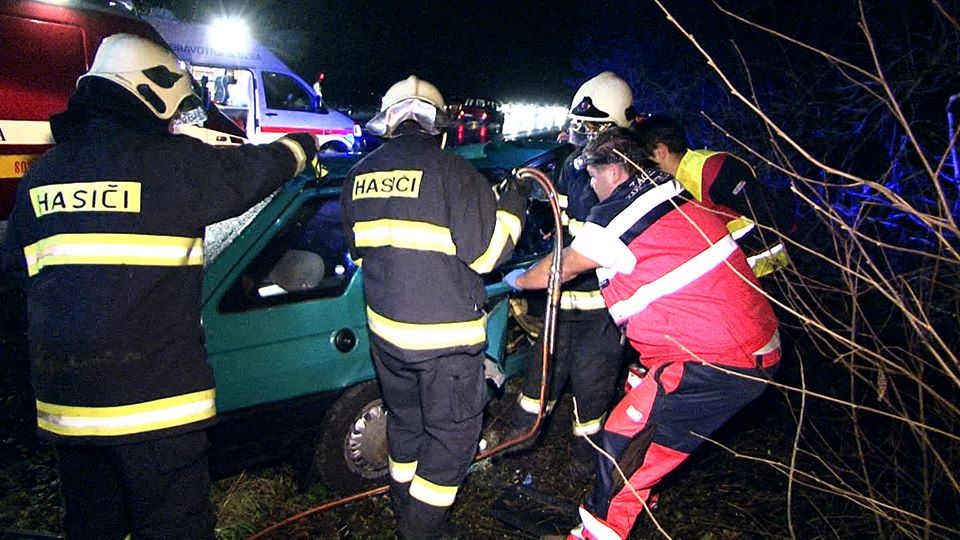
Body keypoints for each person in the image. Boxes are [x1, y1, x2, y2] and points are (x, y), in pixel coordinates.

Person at [0, 34, 317, 540]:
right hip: (156, 408)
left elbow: (18, 271)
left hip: (68, 408)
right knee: (173, 526)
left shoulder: (44, 175)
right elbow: (252, 171)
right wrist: (302, 147)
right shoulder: (172, 164)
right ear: (151, 90)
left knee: (92, 525)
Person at [504, 127, 781, 540]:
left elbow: (559, 268)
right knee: (643, 403)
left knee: (624, 438)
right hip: (747, 346)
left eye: (593, 176)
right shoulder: (669, 190)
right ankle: (640, 495)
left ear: (615, 172)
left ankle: (601, 529)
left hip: (715, 361)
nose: (591, 186)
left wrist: (517, 279)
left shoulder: (618, 217)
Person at [340, 75, 530, 539]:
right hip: (445, 346)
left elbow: (361, 255)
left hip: (387, 340)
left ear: (388, 125)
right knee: (452, 440)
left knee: (406, 426)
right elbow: (487, 256)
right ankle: (419, 531)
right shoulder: (455, 173)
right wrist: (512, 206)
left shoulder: (357, 175)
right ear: (440, 128)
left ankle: (405, 509)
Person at [480, 72, 634, 481]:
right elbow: (562, 225)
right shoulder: (571, 167)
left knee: (592, 389)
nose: (584, 137)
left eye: (594, 129)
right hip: (560, 304)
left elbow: (586, 253)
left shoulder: (626, 178)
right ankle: (517, 445)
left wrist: (525, 280)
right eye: (581, 127)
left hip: (602, 312)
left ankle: (586, 464)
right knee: (539, 378)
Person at [633, 113, 794, 277]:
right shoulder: (675, 183)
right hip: (739, 276)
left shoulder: (714, 169)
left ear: (660, 151)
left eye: (643, 157)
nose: (641, 167)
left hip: (776, 273)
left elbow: (773, 216)